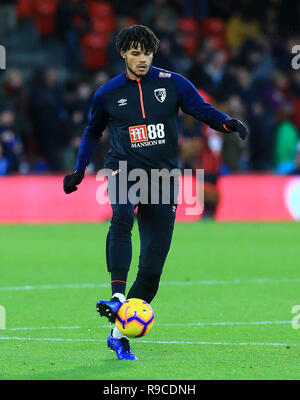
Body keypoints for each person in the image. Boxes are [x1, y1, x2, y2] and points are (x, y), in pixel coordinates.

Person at [63, 25, 248, 360]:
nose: (142, 59)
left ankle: (118, 335)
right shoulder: (107, 92)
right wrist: (80, 168)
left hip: (163, 179)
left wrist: (227, 123)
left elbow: (201, 109)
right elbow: (92, 131)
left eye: (146, 53)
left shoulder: (174, 83)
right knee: (120, 218)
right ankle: (118, 298)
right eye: (135, 53)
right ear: (123, 54)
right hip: (124, 170)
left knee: (151, 272)